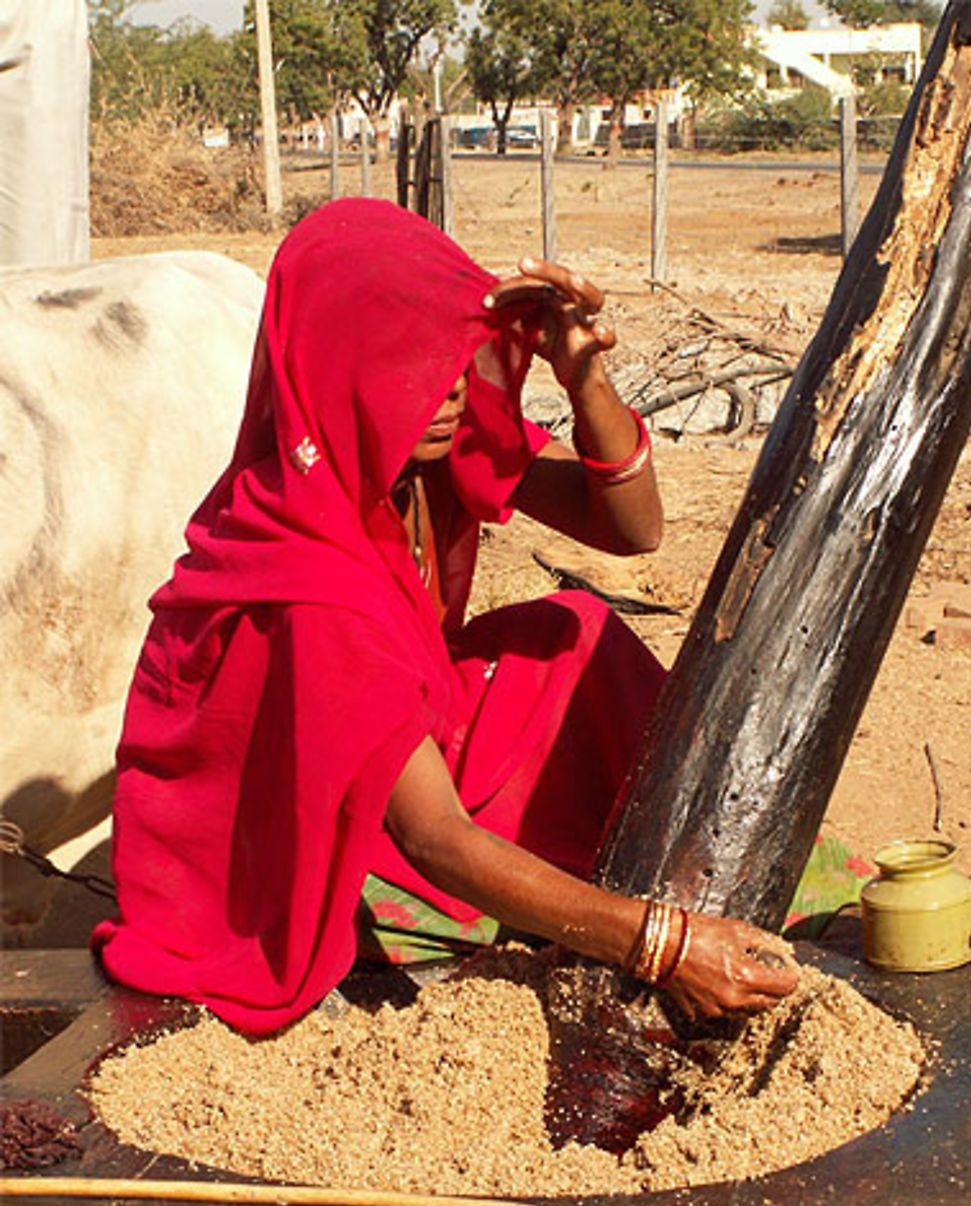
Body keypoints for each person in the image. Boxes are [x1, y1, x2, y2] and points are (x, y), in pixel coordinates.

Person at [93, 199, 799, 1035]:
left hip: (399, 742)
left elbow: (633, 529)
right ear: (339, 371)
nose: (448, 392)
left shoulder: (426, 443)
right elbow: (435, 837)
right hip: (289, 843)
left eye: (453, 363)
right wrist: (663, 945)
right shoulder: (307, 575)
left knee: (576, 634)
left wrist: (585, 378)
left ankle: (658, 858)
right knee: (474, 851)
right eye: (408, 368)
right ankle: (606, 900)